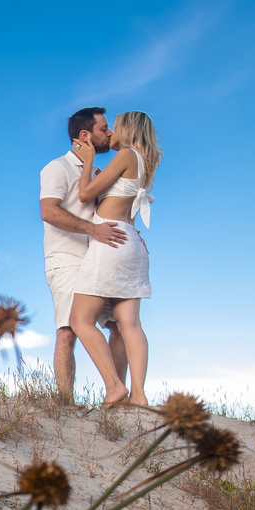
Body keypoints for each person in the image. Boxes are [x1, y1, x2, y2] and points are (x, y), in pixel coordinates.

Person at [69, 111, 160, 406]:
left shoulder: (125, 155)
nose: (110, 132)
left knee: (80, 320)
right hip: (130, 241)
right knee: (129, 324)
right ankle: (140, 396)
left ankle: (114, 387)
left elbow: (85, 194)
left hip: (110, 241)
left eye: (114, 126)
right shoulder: (144, 161)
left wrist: (88, 161)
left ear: (128, 129)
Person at [39, 107, 128, 404]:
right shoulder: (57, 168)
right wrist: (92, 229)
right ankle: (65, 407)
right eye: (105, 128)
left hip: (100, 260)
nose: (110, 134)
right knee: (67, 331)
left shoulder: (99, 175)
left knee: (119, 325)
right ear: (85, 135)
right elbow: (48, 211)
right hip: (66, 260)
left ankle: (117, 398)